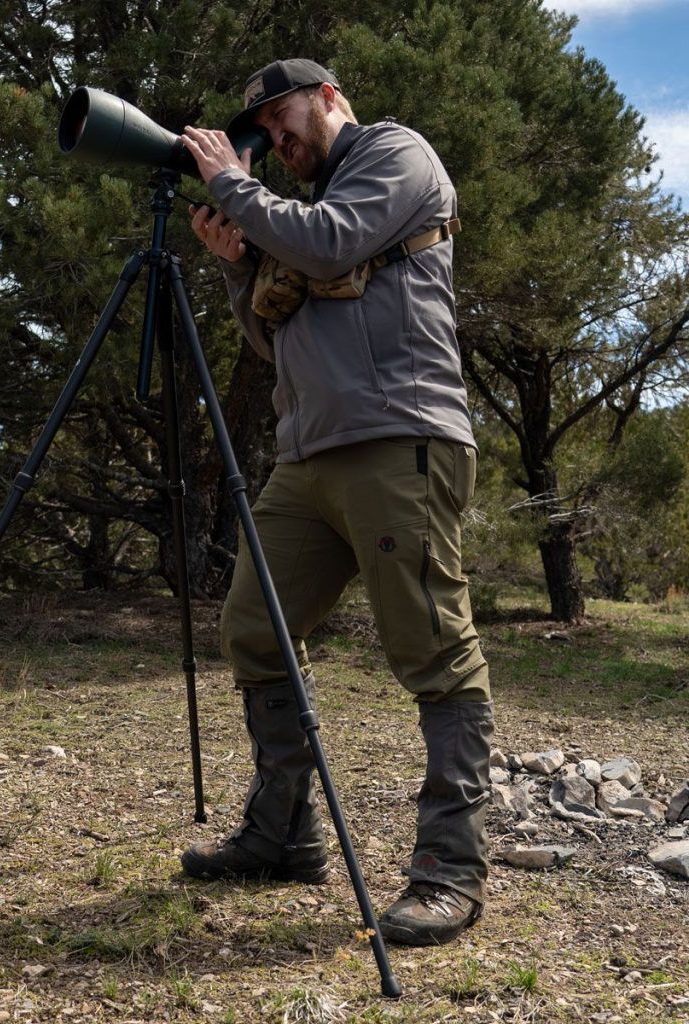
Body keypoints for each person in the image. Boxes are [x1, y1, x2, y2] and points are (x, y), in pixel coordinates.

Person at [178, 58, 495, 947]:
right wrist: (239, 271)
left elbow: (325, 244)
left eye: (283, 120)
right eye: (264, 136)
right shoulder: (289, 211)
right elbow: (276, 338)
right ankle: (284, 837)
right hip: (307, 454)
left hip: (400, 439)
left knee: (431, 648)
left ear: (328, 98)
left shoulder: (395, 154)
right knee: (257, 628)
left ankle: (450, 871)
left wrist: (235, 186)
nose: (276, 143)